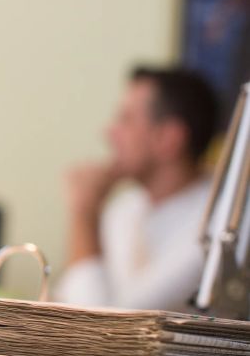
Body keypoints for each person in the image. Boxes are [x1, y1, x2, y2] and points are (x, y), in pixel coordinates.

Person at [54, 67, 218, 312]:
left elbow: (105, 328)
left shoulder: (216, 228)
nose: (109, 132)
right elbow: (62, 303)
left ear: (168, 138)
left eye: (126, 120)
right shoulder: (124, 208)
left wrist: (84, 215)